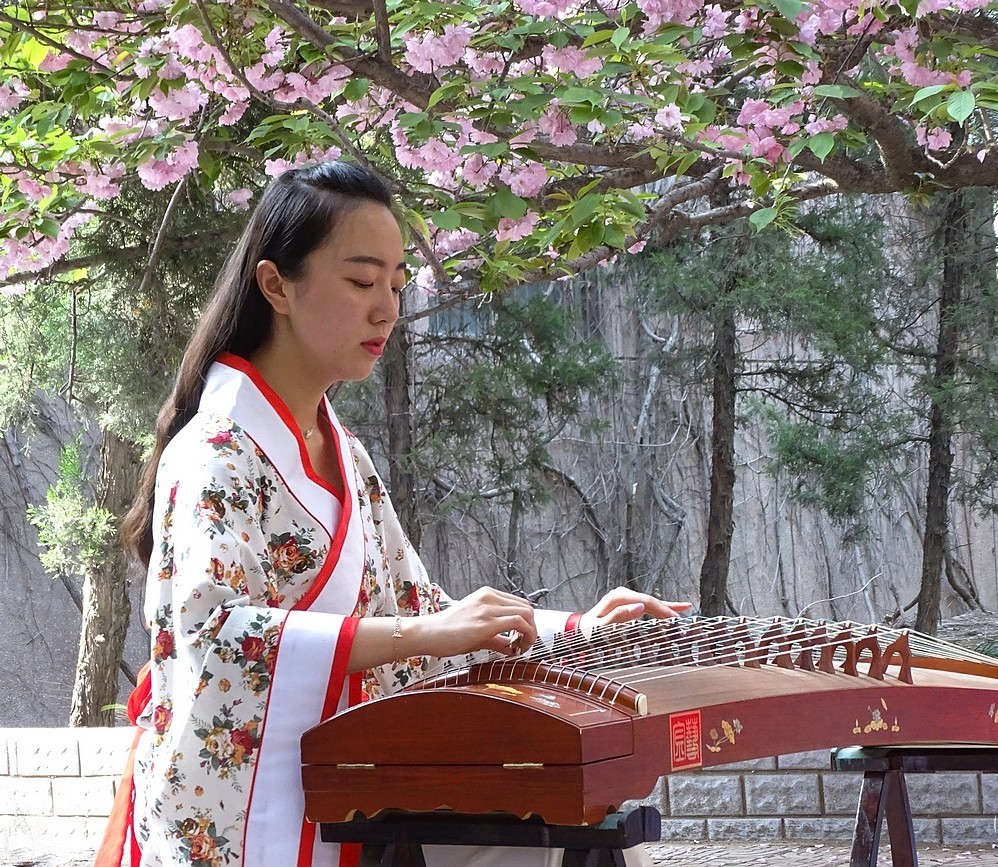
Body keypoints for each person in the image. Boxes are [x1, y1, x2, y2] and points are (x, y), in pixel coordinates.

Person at [105, 161, 690, 867]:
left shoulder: (344, 451)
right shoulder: (216, 448)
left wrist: (576, 628)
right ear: (275, 285)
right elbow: (217, 628)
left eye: (395, 282)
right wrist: (423, 631)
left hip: (348, 787)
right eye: (360, 281)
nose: (386, 307)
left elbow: (423, 611)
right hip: (242, 813)